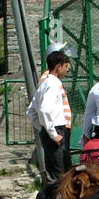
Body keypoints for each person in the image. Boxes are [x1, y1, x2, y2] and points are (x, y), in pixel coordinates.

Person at [27, 43, 73, 180]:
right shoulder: (52, 84)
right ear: (58, 66)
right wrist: (53, 134)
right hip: (56, 131)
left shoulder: (46, 83)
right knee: (60, 176)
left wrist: (42, 129)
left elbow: (31, 112)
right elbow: (44, 110)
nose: (67, 70)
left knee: (58, 172)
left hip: (52, 131)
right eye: (66, 67)